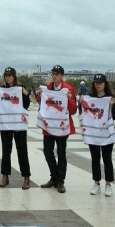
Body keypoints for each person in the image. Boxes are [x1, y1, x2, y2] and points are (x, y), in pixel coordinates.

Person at [36, 65, 77, 193]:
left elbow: (73, 110)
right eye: (53, 74)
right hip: (48, 126)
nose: (54, 76)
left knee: (61, 154)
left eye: (57, 74)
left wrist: (70, 99)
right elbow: (42, 104)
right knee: (47, 152)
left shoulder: (68, 89)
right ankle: (54, 177)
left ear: (62, 76)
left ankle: (60, 181)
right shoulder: (47, 88)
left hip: (62, 127)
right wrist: (38, 95)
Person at [0, 67, 31, 189]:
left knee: (22, 151)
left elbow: (26, 105)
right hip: (6, 124)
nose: (7, 77)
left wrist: (26, 94)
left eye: (9, 75)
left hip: (18, 124)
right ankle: (5, 176)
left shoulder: (20, 89)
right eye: (6, 75)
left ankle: (26, 176)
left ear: (14, 76)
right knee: (6, 151)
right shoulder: (1, 90)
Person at [79, 74, 115, 197]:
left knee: (107, 159)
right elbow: (83, 113)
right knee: (95, 159)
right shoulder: (89, 98)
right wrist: (81, 103)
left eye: (100, 82)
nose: (98, 85)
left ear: (105, 84)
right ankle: (96, 183)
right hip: (93, 133)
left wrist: (112, 106)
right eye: (96, 83)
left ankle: (108, 184)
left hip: (106, 133)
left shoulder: (110, 98)